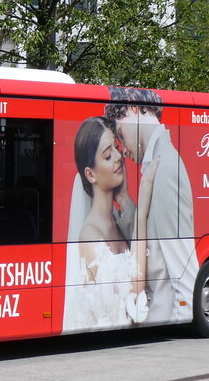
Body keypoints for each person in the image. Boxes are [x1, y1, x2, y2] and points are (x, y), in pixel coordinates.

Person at [104, 88, 198, 324]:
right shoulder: (158, 164)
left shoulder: (165, 168)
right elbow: (150, 246)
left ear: (134, 108)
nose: (122, 149)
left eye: (120, 134)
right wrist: (124, 199)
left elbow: (184, 275)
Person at [63, 116, 156, 329]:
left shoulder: (117, 220)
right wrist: (141, 215)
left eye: (116, 146)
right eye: (107, 155)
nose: (118, 156)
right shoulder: (90, 235)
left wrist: (124, 199)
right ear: (90, 175)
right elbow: (132, 293)